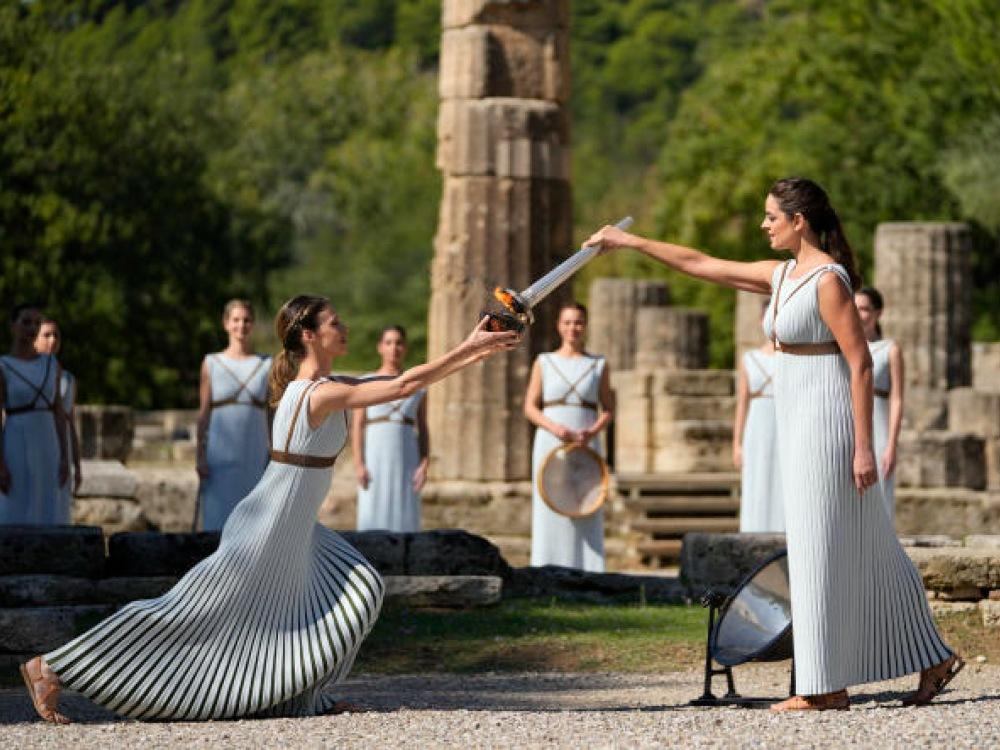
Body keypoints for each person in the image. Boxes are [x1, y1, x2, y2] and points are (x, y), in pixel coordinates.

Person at [20, 295, 519, 723]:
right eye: (334, 323)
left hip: (296, 525)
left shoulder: (328, 385)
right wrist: (471, 347)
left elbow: (405, 381)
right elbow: (405, 385)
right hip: (269, 523)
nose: (343, 328)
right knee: (183, 613)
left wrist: (476, 350)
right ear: (309, 334)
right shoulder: (318, 393)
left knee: (360, 589)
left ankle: (303, 696)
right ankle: (53, 667)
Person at [587, 177, 962, 711]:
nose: (764, 225)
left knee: (819, 550)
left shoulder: (828, 281)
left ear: (798, 221)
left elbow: (859, 363)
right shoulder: (781, 276)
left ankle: (825, 688)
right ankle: (931, 657)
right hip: (797, 417)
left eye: (771, 216)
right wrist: (630, 242)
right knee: (869, 546)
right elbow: (700, 263)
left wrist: (861, 446)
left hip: (828, 423)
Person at [524, 301, 615, 572]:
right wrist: (555, 429)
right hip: (551, 440)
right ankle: (547, 566)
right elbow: (530, 406)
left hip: (586, 442)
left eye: (578, 322)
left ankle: (587, 569)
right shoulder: (544, 362)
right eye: (567, 322)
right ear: (558, 326)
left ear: (585, 326)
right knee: (550, 501)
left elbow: (609, 408)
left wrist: (592, 431)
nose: (573, 328)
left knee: (585, 501)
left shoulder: (598, 364)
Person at [195, 299, 272, 530]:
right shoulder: (212, 363)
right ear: (226, 323)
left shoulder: (267, 364)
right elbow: (203, 413)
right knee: (219, 516)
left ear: (253, 324)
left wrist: (275, 454)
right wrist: (199, 455)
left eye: (247, 320)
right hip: (220, 454)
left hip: (254, 452)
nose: (241, 325)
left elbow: (272, 413)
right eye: (236, 320)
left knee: (254, 519)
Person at [352, 325, 428, 532]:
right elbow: (357, 426)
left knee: (405, 511)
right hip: (375, 457)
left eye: (399, 343)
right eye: (389, 343)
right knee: (373, 508)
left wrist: (424, 463)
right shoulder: (366, 382)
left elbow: (423, 428)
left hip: (407, 456)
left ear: (405, 348)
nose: (394, 348)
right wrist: (358, 463)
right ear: (380, 347)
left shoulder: (417, 385)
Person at [0, 304, 69, 525]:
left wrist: (65, 456)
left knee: (48, 504)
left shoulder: (51, 364)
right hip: (16, 438)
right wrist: (0, 463)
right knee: (16, 503)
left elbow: (59, 410)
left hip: (48, 440)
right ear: (13, 327)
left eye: (36, 323)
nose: (31, 328)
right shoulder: (4, 366)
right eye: (26, 322)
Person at [733, 300, 783, 532]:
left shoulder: (793, 356)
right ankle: (754, 530)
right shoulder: (749, 358)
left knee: (782, 479)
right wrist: (737, 443)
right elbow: (742, 402)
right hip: (757, 424)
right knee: (757, 477)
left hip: (785, 422)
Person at [854, 287, 902, 520]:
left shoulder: (890, 350)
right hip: (850, 423)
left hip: (879, 425)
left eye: (864, 308)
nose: (859, 313)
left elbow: (897, 398)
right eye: (854, 308)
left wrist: (892, 444)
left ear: (877, 313)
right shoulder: (843, 347)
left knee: (880, 489)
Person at [34, 318, 83, 520]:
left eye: (56, 335)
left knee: (58, 505)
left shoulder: (68, 379)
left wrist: (77, 465)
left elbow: (70, 421)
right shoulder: (18, 373)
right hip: (32, 442)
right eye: (46, 335)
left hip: (61, 447)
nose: (52, 340)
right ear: (34, 340)